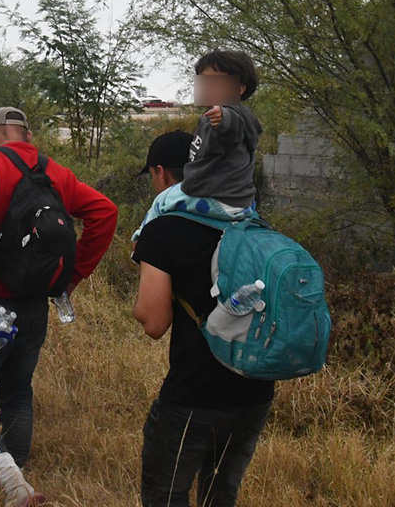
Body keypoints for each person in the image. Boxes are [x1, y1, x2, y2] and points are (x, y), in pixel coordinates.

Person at [0, 107, 118, 507]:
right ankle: (19, 478)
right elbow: (105, 212)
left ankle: (12, 481)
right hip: (34, 302)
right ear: (27, 135)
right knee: (17, 390)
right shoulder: (55, 173)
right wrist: (72, 278)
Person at [132, 129, 274, 507]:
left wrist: (138, 305)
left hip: (194, 396)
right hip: (255, 391)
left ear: (161, 173)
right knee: (220, 496)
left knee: (165, 495)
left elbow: (154, 323)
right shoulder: (249, 221)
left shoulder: (162, 229)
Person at [133, 50, 262, 245]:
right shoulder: (212, 117)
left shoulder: (231, 116)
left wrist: (223, 117)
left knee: (162, 201)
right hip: (235, 200)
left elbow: (230, 128)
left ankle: (140, 241)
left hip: (215, 197)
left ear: (240, 89)